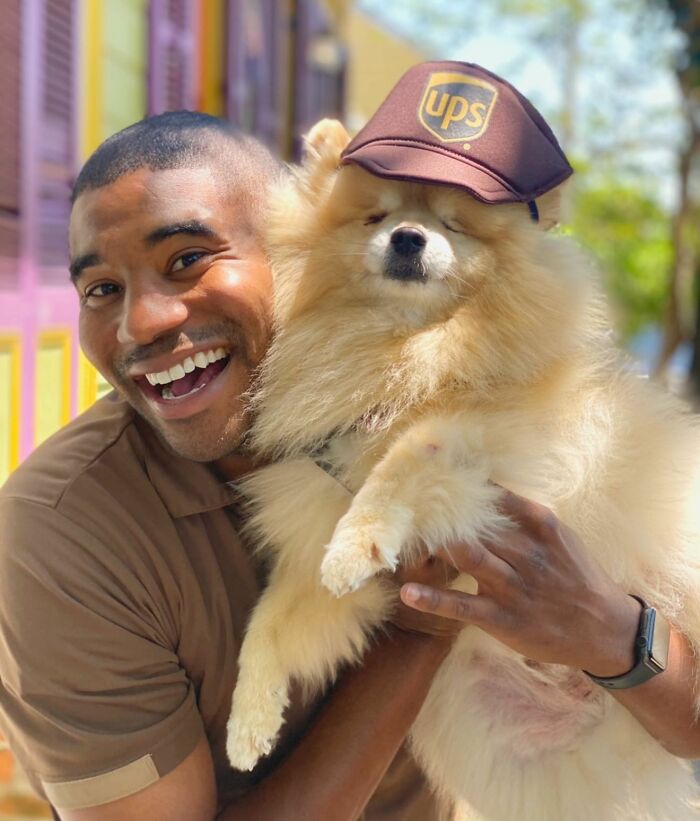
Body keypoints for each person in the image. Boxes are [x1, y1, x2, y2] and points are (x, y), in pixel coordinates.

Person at [0, 111, 698, 821]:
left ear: (288, 244)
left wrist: (614, 634)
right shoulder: (61, 534)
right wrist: (420, 630)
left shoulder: (470, 401)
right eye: (101, 290)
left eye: (188, 259)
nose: (142, 323)